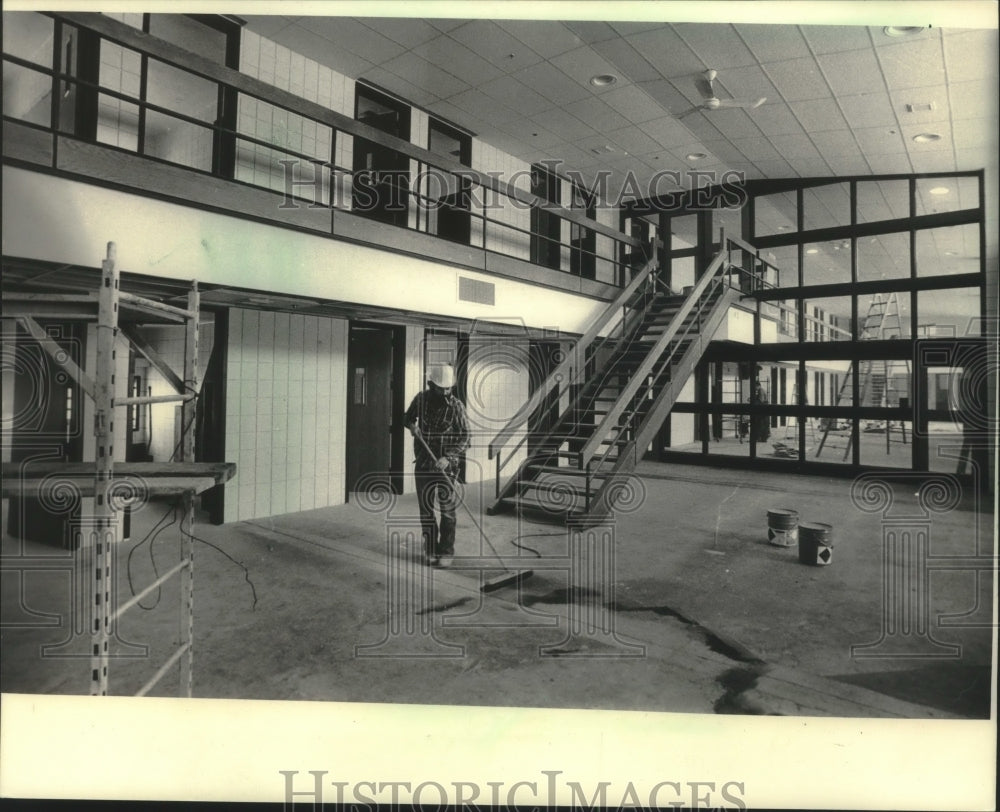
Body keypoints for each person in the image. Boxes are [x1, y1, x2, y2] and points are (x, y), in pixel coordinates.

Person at [403, 364, 469, 568]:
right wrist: (412, 426)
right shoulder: (421, 399)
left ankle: (446, 551)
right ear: (431, 385)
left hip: (446, 468)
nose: (445, 392)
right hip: (423, 463)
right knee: (426, 510)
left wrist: (448, 457)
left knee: (448, 511)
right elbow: (406, 418)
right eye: (441, 388)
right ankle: (431, 549)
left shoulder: (456, 406)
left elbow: (466, 437)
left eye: (448, 388)